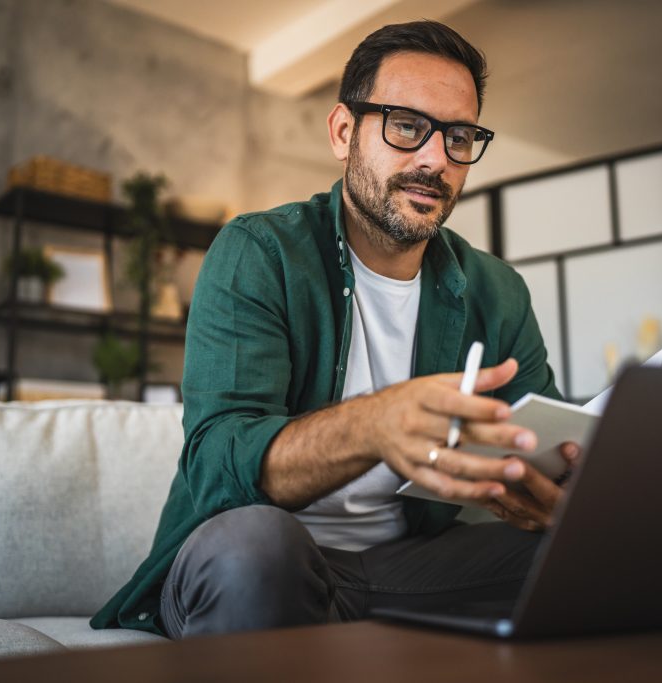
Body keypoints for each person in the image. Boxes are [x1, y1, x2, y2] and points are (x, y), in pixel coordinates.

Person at [91, 19, 579, 639]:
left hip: (407, 567)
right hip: (268, 555)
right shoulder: (259, 252)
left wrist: (560, 482)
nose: (436, 159)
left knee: (593, 556)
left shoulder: (496, 290)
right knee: (257, 548)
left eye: (459, 137)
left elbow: (544, 434)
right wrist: (375, 424)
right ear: (344, 132)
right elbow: (218, 463)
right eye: (407, 126)